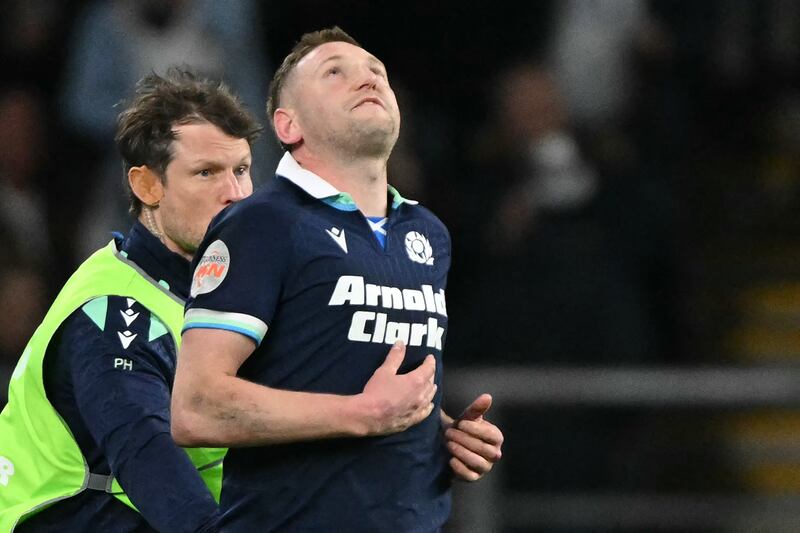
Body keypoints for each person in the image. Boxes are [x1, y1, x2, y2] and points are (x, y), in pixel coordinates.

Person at [0, 68, 437, 532]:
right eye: (206, 172)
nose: (235, 194)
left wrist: (439, 434)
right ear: (147, 186)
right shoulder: (115, 315)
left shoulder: (236, 293)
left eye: (242, 171)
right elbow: (154, 467)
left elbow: (326, 393)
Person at [171, 27, 504, 532]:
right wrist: (360, 413)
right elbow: (195, 409)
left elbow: (353, 373)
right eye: (335, 73)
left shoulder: (427, 234)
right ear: (289, 125)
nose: (366, 80)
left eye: (377, 72)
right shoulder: (263, 223)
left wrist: (443, 433)